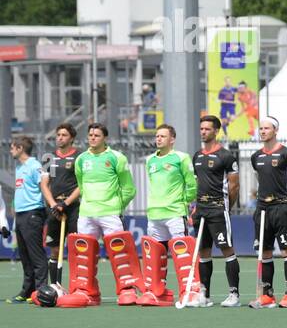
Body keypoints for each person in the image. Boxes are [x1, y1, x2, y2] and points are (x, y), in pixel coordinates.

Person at [70, 122, 139, 305]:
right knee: (84, 255)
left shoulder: (117, 158)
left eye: (97, 135)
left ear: (105, 138)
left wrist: (116, 206)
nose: (92, 138)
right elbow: (82, 186)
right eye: (90, 135)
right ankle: (88, 292)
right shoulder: (81, 159)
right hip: (86, 214)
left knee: (119, 252)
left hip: (110, 213)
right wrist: (89, 204)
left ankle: (127, 290)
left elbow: (129, 189)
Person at [136, 124, 197, 306]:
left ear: (172, 139)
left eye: (163, 136)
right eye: (157, 136)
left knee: (181, 254)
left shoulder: (181, 158)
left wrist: (183, 201)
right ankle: (158, 292)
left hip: (175, 214)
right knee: (156, 256)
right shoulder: (150, 161)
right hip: (154, 215)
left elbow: (192, 185)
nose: (158, 139)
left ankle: (188, 291)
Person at [248, 117, 287, 309]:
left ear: (275, 130)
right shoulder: (256, 157)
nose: (262, 131)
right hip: (262, 209)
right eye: (260, 128)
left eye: (266, 128)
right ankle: (267, 295)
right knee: (265, 251)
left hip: (281, 208)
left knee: (286, 250)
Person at [192, 114, 241, 308]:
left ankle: (234, 294)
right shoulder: (197, 155)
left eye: (207, 129)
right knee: (203, 252)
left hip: (218, 209)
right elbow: (197, 182)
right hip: (201, 210)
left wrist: (226, 207)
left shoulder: (226, 156)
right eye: (201, 129)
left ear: (216, 131)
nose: (203, 132)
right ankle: (204, 294)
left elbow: (234, 186)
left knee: (227, 249)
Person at [7, 136, 47, 302]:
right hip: (21, 215)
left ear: (20, 148)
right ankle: (27, 291)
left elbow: (44, 186)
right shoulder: (18, 167)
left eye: (12, 147)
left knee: (36, 255)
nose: (10, 151)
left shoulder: (35, 166)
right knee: (24, 255)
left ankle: (41, 291)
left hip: (33, 213)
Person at [39, 123, 81, 282]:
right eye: (58, 135)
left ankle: (77, 286)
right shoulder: (48, 158)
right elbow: (44, 184)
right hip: (54, 208)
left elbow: (81, 185)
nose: (60, 138)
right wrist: (53, 204)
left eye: (64, 135)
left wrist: (67, 203)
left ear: (72, 138)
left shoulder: (79, 157)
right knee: (55, 250)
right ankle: (55, 285)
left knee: (76, 248)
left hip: (73, 207)